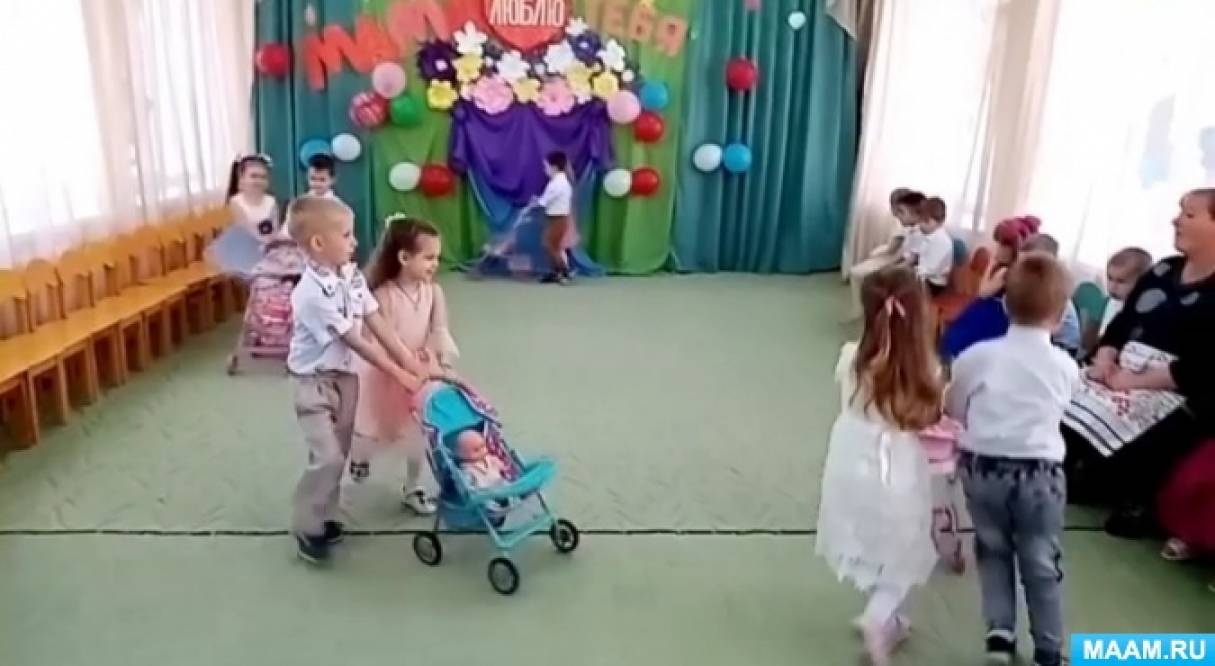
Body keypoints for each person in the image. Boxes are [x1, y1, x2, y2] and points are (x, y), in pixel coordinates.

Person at [947, 253, 1081, 666]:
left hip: (982, 468)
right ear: (1061, 315)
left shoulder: (976, 356)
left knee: (993, 550)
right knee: (1041, 561)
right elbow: (1064, 410)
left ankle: (1000, 636)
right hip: (1040, 474)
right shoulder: (1065, 366)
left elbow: (954, 408)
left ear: (1005, 304)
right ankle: (1048, 650)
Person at [284, 196, 433, 565]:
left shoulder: (350, 276)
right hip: (314, 385)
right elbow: (355, 340)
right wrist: (400, 374)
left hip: (345, 380)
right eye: (347, 235)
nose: (355, 242)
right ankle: (306, 526)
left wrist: (407, 359)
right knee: (328, 458)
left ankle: (325, 514)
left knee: (338, 453)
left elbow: (375, 320)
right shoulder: (310, 294)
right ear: (319, 243)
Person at [1063, 188, 1215, 538]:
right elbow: (1123, 322)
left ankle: (1130, 496)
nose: (1176, 220)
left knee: (1136, 414)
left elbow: (1202, 369)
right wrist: (1105, 356)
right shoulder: (1164, 269)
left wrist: (1132, 381)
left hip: (1176, 385)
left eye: (1189, 215)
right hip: (1123, 366)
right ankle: (1069, 468)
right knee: (1064, 386)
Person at [815, 265, 942, 666]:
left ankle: (891, 618)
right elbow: (923, 419)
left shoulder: (851, 358)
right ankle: (877, 617)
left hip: (850, 462)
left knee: (869, 540)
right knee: (905, 549)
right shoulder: (926, 370)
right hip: (896, 471)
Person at [348, 215, 460, 515]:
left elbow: (439, 330)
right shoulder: (382, 295)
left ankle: (413, 488)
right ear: (404, 258)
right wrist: (404, 366)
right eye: (429, 258)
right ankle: (359, 458)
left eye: (437, 258)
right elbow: (382, 339)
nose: (435, 264)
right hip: (385, 373)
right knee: (372, 429)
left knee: (420, 433)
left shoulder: (434, 292)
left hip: (422, 372)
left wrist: (443, 362)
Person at [847, 188, 922, 318]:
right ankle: (863, 310)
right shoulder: (907, 226)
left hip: (897, 260)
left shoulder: (909, 228)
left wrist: (878, 255)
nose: (895, 212)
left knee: (858, 274)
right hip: (898, 259)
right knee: (863, 272)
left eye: (900, 210)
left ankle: (862, 311)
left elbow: (893, 250)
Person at [533, 151, 576, 285]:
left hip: (558, 219)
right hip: (555, 219)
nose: (544, 170)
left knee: (551, 245)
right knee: (552, 245)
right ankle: (556, 272)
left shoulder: (557, 183)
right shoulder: (558, 182)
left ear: (554, 167)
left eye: (546, 166)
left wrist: (536, 202)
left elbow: (544, 201)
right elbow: (547, 199)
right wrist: (538, 201)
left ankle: (563, 272)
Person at [227, 153, 280, 244]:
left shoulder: (271, 201)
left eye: (263, 177)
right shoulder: (236, 203)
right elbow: (242, 235)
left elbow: (274, 231)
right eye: (254, 176)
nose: (259, 181)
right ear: (242, 179)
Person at [911, 197, 953, 295]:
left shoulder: (942, 241)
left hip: (934, 283)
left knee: (900, 286)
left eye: (926, 222)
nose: (921, 225)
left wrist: (909, 272)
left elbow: (930, 269)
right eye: (920, 220)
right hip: (922, 274)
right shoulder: (924, 233)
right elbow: (914, 254)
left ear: (940, 222)